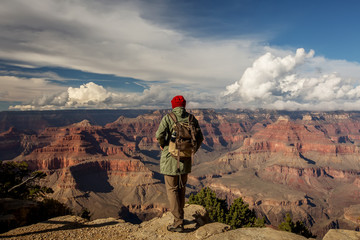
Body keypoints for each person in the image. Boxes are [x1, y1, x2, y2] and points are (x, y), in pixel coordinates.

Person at [156, 95, 203, 232]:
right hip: (186, 159)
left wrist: (163, 144)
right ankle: (180, 217)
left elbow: (159, 134)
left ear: (173, 105)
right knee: (181, 189)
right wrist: (192, 151)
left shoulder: (168, 118)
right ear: (184, 105)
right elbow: (200, 138)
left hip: (170, 159)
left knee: (172, 190)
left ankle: (178, 223)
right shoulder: (191, 118)